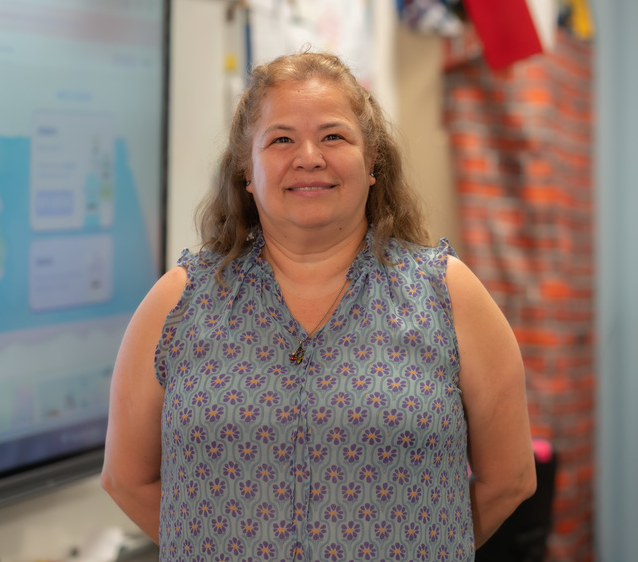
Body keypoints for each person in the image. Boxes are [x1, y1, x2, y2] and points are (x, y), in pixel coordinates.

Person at [101, 51, 536, 561]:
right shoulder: (177, 301)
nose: (309, 156)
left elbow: (509, 480)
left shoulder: (448, 294)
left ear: (372, 161)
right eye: (281, 138)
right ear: (247, 168)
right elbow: (126, 479)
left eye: (334, 136)